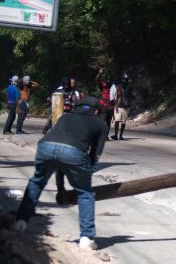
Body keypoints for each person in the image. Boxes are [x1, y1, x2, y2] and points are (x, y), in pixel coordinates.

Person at [12, 96, 108, 250]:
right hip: (74, 152)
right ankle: (86, 237)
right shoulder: (100, 125)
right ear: (96, 111)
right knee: (85, 193)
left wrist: (60, 186)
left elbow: (59, 159)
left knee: (36, 182)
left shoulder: (65, 117)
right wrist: (87, 172)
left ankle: (20, 222)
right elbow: (95, 154)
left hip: (45, 146)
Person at [95, 69, 115, 140]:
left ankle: (106, 135)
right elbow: (96, 80)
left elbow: (117, 97)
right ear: (105, 80)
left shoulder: (113, 87)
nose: (108, 81)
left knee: (108, 122)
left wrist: (115, 107)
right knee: (102, 121)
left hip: (111, 107)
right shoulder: (103, 86)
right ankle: (100, 135)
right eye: (107, 79)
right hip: (103, 106)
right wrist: (99, 73)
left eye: (110, 80)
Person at [111, 73, 132, 140]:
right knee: (118, 121)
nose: (125, 81)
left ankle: (119, 135)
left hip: (123, 106)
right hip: (120, 106)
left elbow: (117, 96)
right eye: (124, 79)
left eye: (126, 79)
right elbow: (117, 96)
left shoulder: (121, 87)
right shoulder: (120, 87)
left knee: (122, 121)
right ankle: (118, 135)